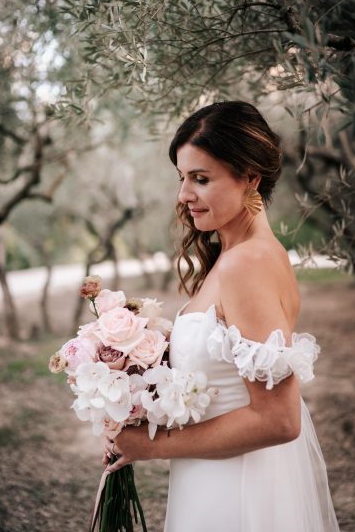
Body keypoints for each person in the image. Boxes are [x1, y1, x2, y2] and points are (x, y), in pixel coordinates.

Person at [104, 101, 340, 531]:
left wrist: (150, 445)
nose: (184, 195)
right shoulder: (240, 256)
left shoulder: (247, 264)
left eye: (201, 178)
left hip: (238, 491)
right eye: (182, 178)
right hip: (216, 473)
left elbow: (278, 419)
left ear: (251, 177)